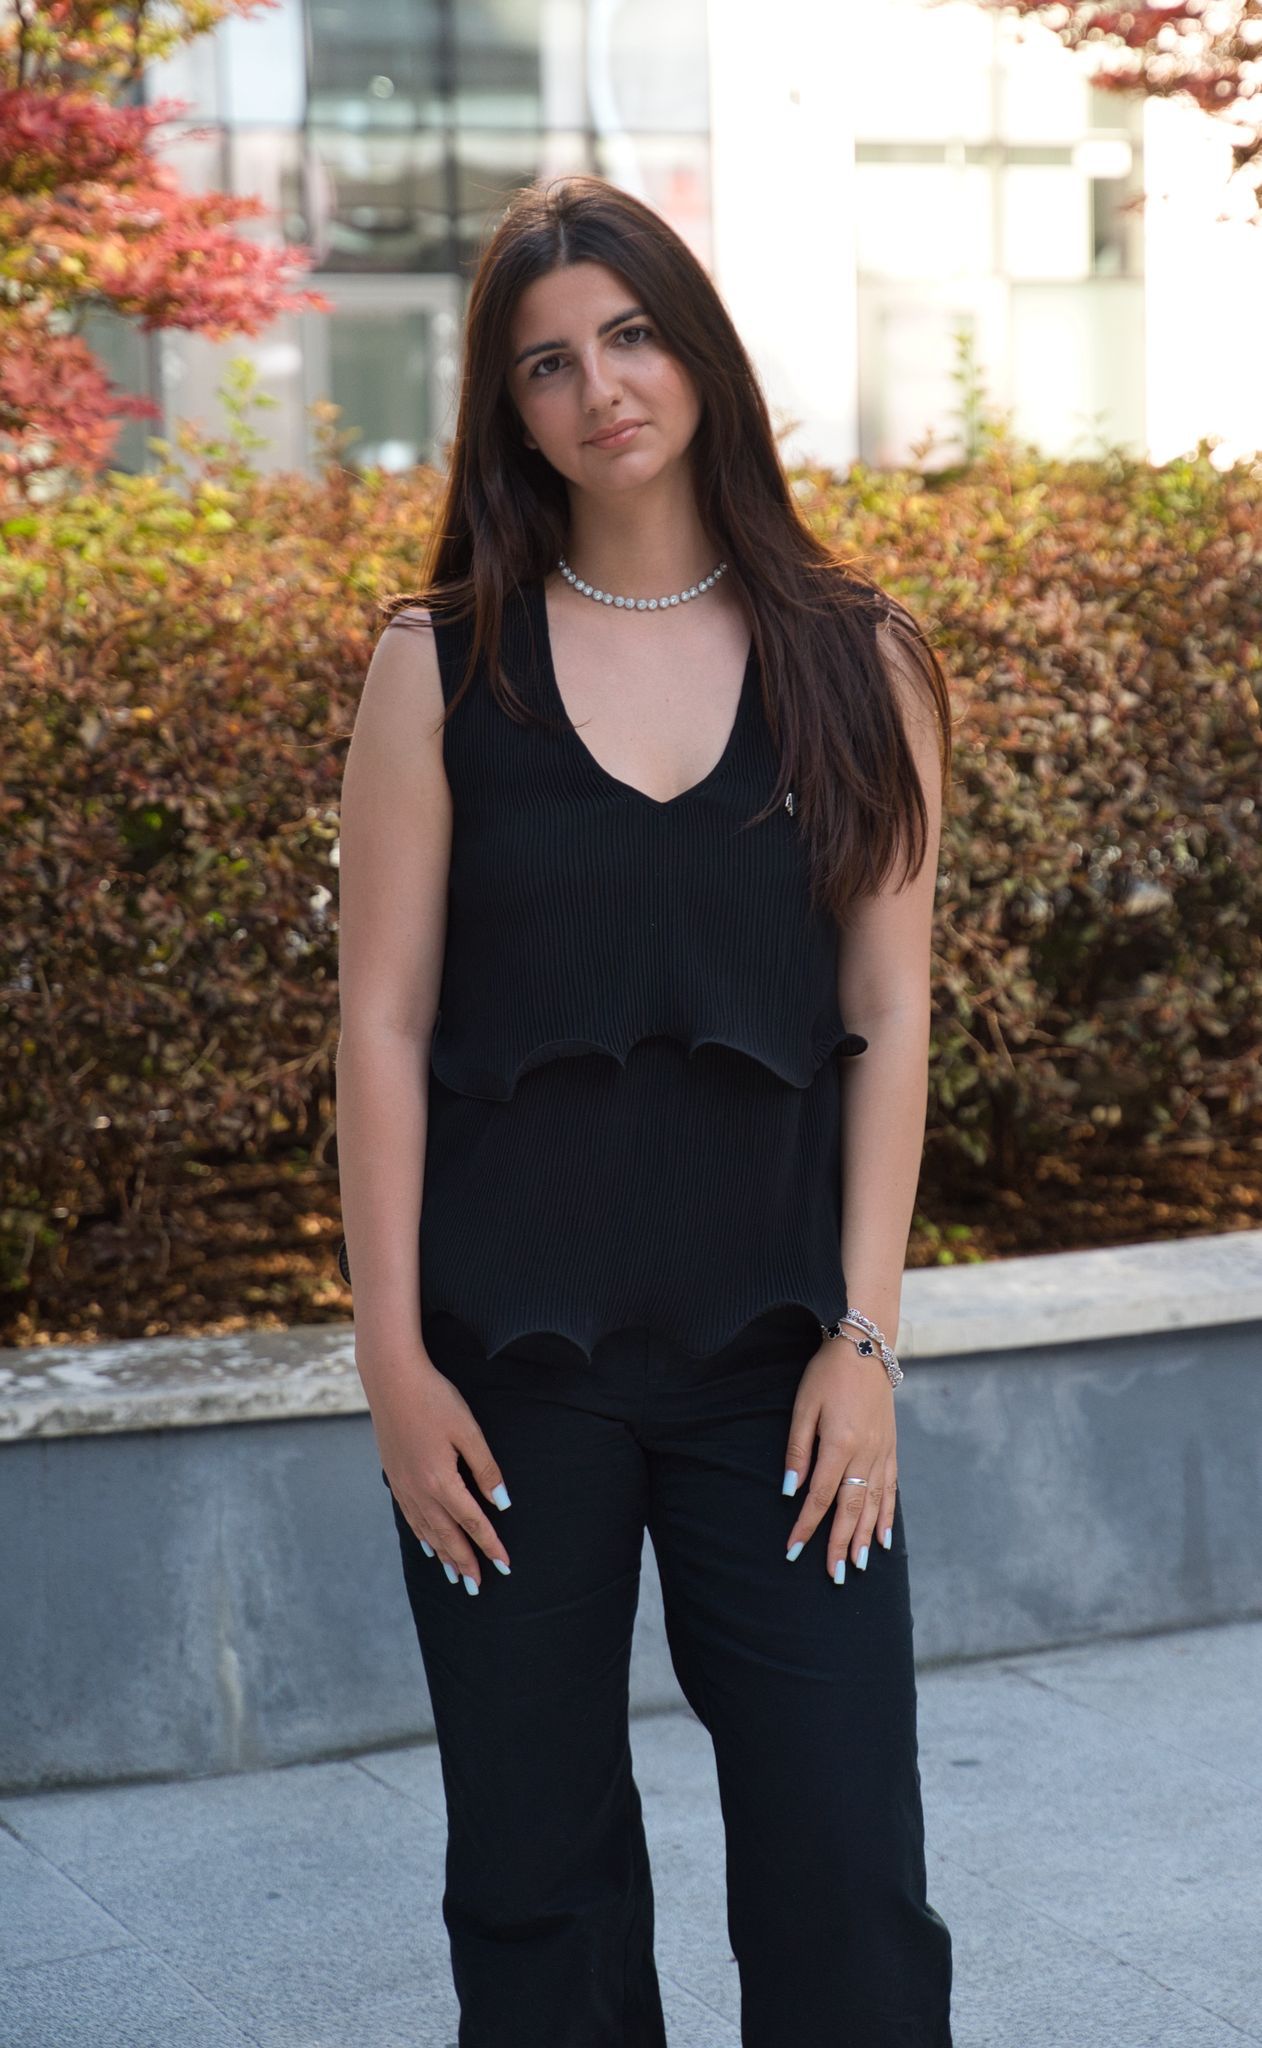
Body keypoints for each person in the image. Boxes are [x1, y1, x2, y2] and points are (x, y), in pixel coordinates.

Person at [334, 173, 955, 2048]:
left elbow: (887, 1005)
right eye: (545, 362)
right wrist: (390, 1365)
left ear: (697, 350)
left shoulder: (866, 657)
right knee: (533, 1885)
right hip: (498, 1381)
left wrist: (866, 1336)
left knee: (849, 1878)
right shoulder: (434, 664)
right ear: (504, 411)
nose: (598, 385)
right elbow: (380, 1018)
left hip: (783, 1370)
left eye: (628, 332)